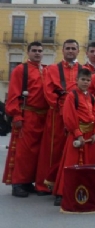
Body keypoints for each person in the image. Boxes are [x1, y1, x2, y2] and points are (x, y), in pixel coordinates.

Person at [3, 42, 48, 198]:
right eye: (34, 50)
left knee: (37, 153)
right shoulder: (20, 70)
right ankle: (17, 183)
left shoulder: (46, 70)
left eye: (40, 51)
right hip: (27, 115)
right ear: (28, 52)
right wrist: (16, 115)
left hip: (43, 116)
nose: (37, 53)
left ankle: (28, 182)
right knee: (23, 152)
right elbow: (13, 95)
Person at [52, 68, 95, 206]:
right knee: (70, 164)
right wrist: (78, 134)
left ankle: (83, 192)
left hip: (89, 135)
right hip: (76, 135)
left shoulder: (91, 97)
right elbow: (69, 116)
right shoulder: (71, 96)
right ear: (76, 80)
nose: (85, 82)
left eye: (88, 80)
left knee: (87, 164)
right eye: (83, 80)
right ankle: (62, 193)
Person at [40, 39, 81, 193]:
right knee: (54, 149)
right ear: (63, 51)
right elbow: (48, 91)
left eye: (73, 48)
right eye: (68, 48)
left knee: (74, 149)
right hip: (57, 114)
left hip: (77, 115)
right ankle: (49, 183)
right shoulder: (52, 69)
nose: (70, 51)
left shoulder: (83, 70)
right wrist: (61, 107)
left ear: (78, 51)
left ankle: (69, 183)